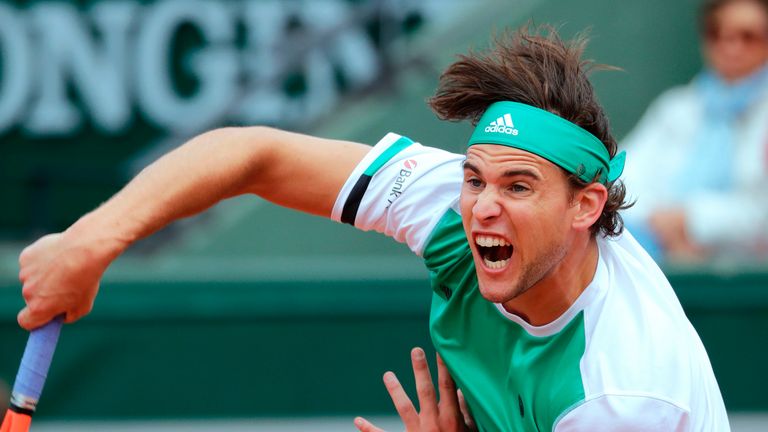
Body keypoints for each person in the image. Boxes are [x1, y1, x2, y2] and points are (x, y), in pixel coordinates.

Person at [16, 26, 729, 430]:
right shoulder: (454, 206)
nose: (483, 205)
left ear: (586, 206)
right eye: (475, 177)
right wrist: (91, 241)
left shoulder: (619, 394)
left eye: (519, 187)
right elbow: (253, 154)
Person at [621, 0, 768, 262]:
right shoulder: (678, 107)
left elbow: (759, 213)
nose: (730, 47)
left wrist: (690, 219)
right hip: (658, 248)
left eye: (748, 37)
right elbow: (622, 176)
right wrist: (661, 223)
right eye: (716, 34)